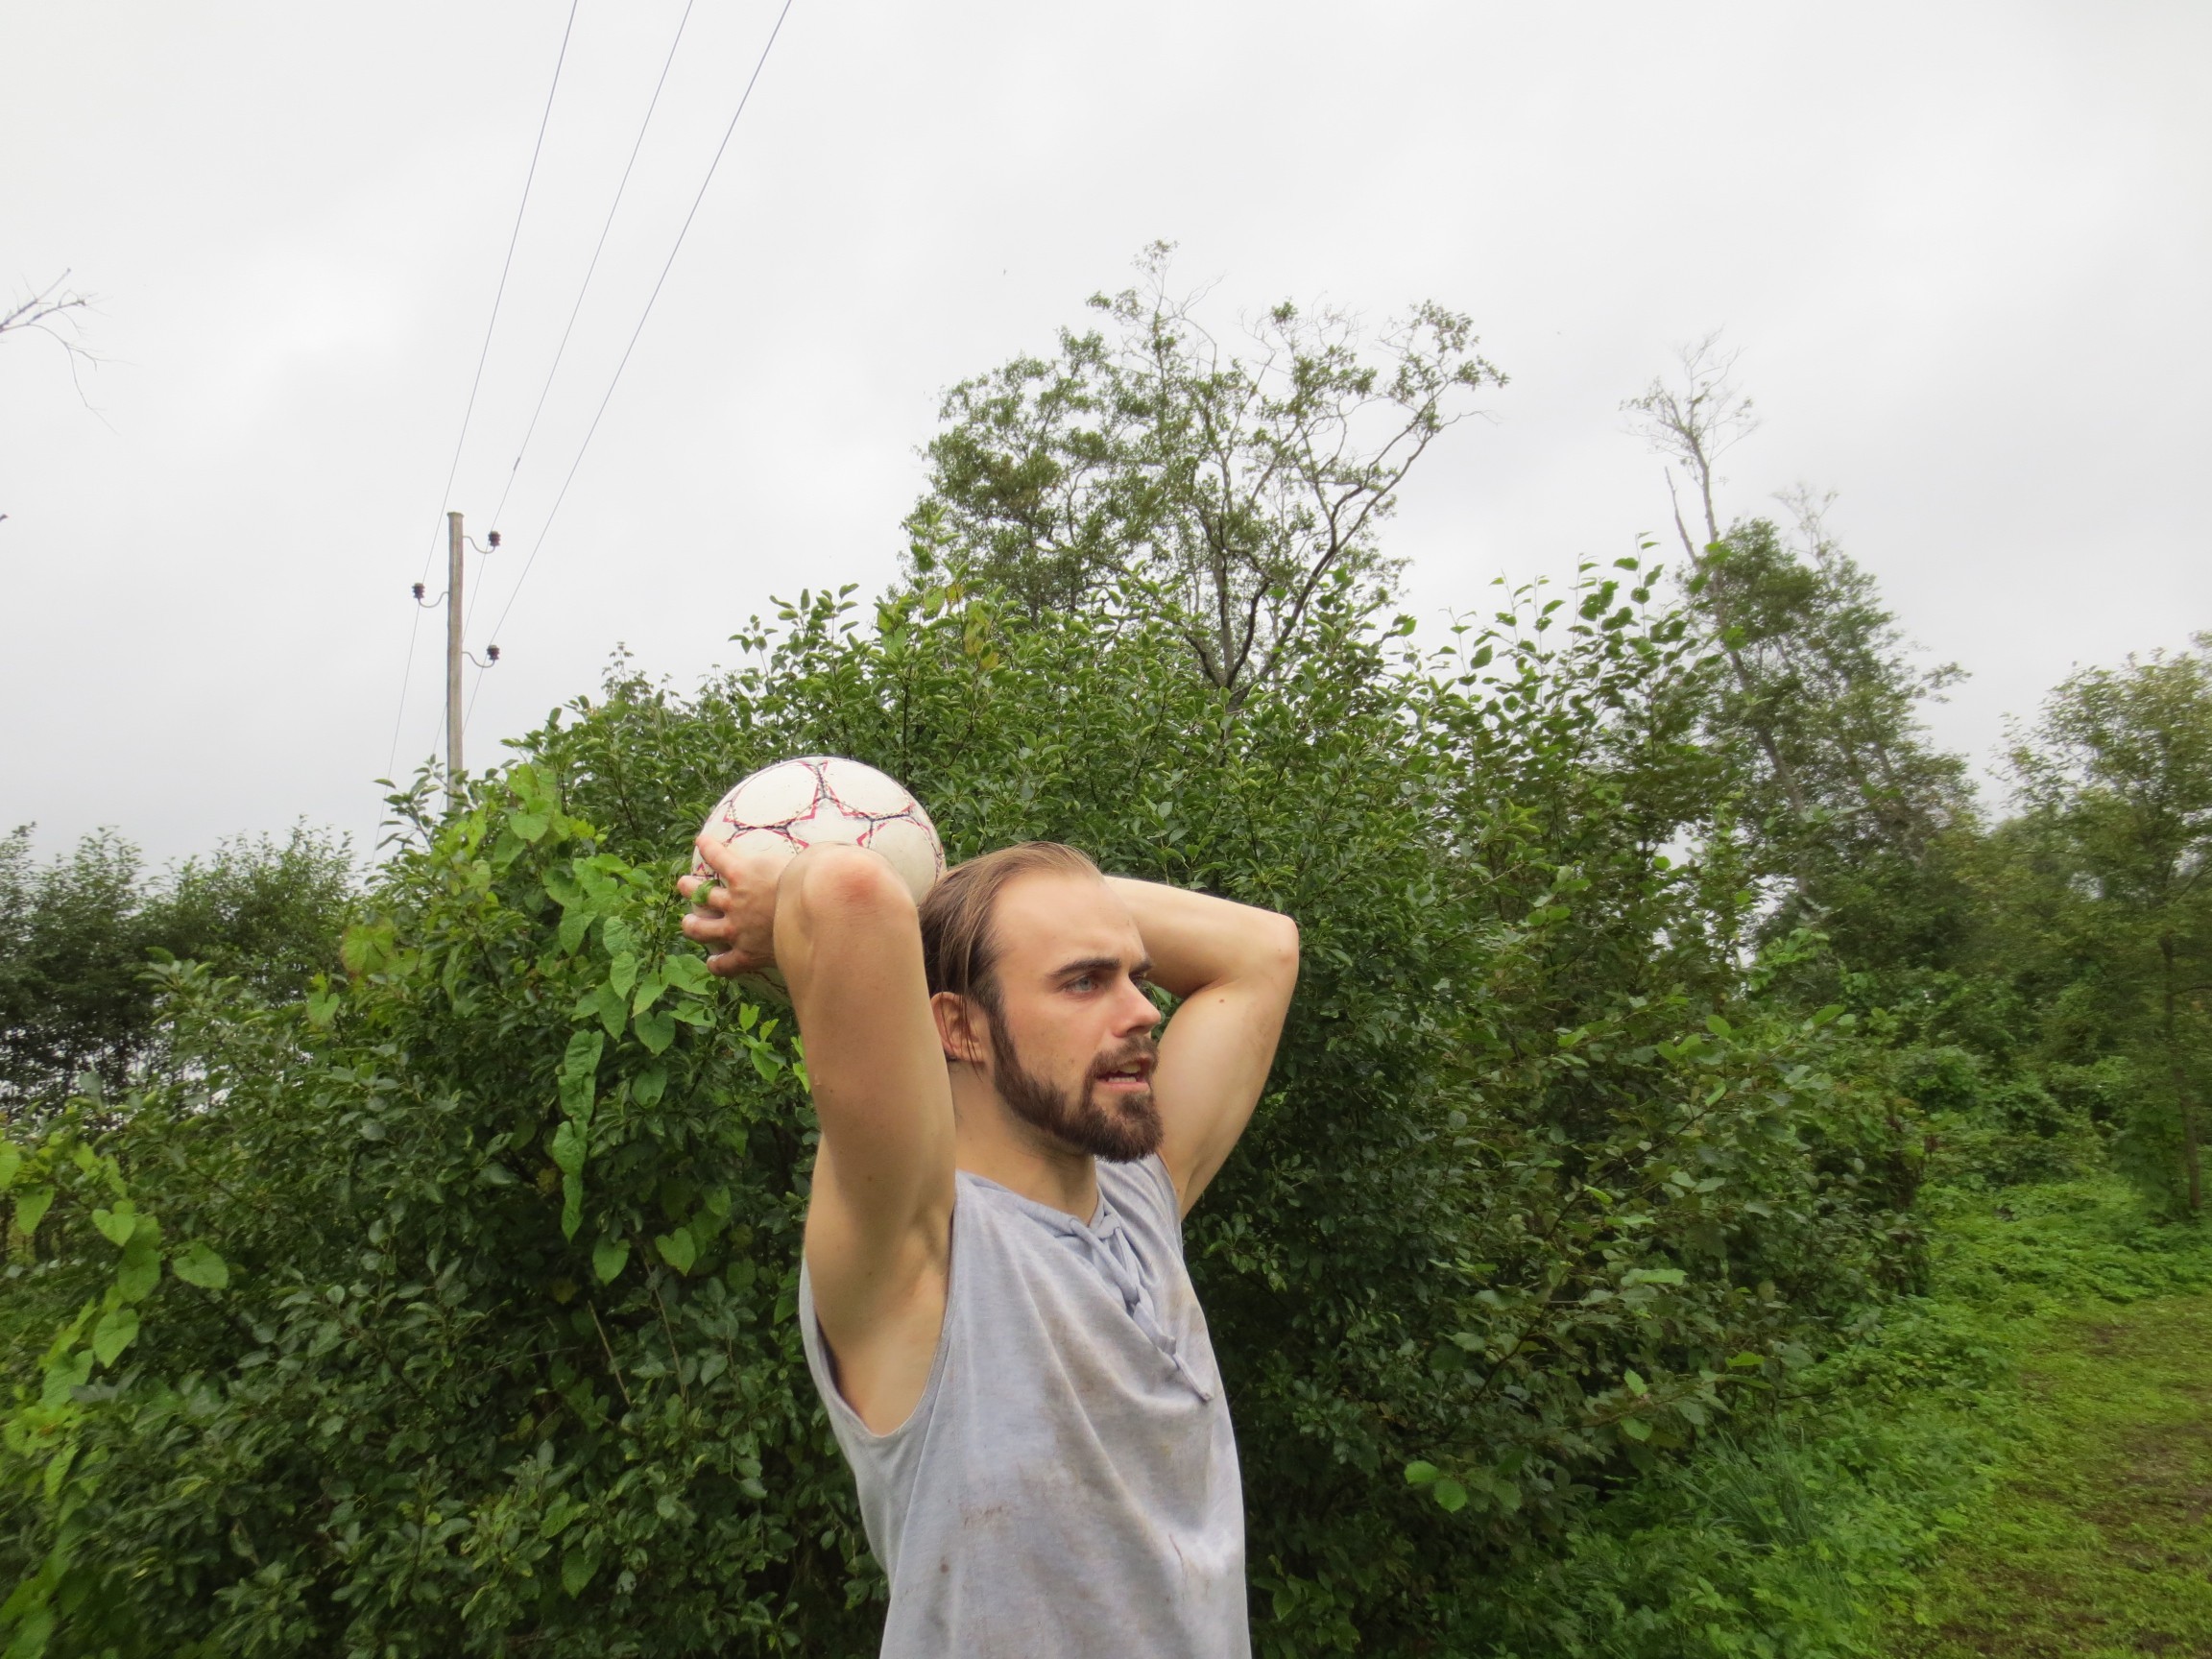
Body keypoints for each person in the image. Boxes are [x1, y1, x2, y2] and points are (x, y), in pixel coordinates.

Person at [680, 833, 1299, 1657]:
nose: (1145, 1011)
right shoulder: (918, 1251)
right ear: (960, 1026)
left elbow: (1262, 950)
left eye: (1137, 978)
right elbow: (849, 893)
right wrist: (800, 897)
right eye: (1084, 981)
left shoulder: (1139, 1199)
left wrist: (967, 900)